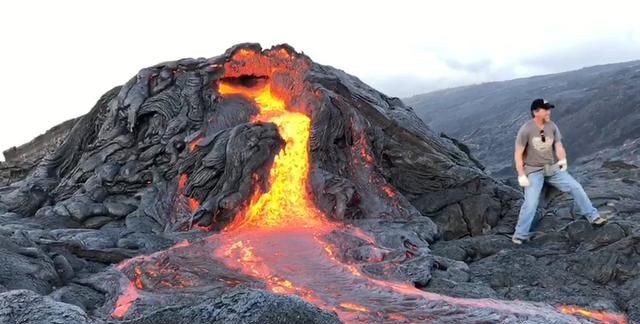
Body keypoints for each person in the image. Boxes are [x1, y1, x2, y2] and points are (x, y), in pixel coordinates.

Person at [512, 98, 607, 244]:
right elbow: (518, 154)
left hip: (552, 168)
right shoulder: (526, 129)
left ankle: (593, 216)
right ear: (535, 112)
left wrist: (562, 160)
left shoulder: (552, 126)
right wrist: (521, 175)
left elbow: (558, 145)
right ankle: (520, 234)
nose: (549, 112)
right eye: (545, 109)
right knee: (530, 202)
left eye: (549, 109)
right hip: (533, 170)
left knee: (576, 187)